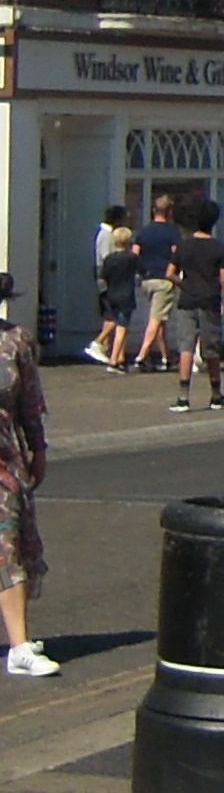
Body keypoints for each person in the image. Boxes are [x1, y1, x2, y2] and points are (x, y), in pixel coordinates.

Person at [0, 275, 53, 676]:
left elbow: (30, 402)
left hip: (3, 462)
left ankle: (19, 646)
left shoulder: (16, 340)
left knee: (7, 546)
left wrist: (39, 449)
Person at [164, 199, 224, 414]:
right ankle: (216, 394)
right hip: (210, 300)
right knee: (211, 349)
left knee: (186, 347)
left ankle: (183, 397)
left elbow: (169, 273)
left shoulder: (183, 246)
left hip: (187, 300)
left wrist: (184, 283)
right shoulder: (220, 247)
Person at [128, 195, 182, 375]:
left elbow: (135, 255)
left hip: (147, 280)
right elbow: (177, 255)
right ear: (170, 212)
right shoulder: (172, 232)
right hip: (164, 280)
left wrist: (141, 271)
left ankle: (166, 357)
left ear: (153, 210)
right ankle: (141, 357)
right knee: (157, 319)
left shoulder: (143, 232)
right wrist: (178, 274)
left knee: (159, 319)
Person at [92, 219, 139, 373]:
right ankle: (113, 360)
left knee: (113, 321)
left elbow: (103, 276)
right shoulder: (132, 258)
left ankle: (118, 357)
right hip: (126, 295)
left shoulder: (110, 259)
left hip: (112, 294)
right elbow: (142, 271)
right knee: (122, 327)